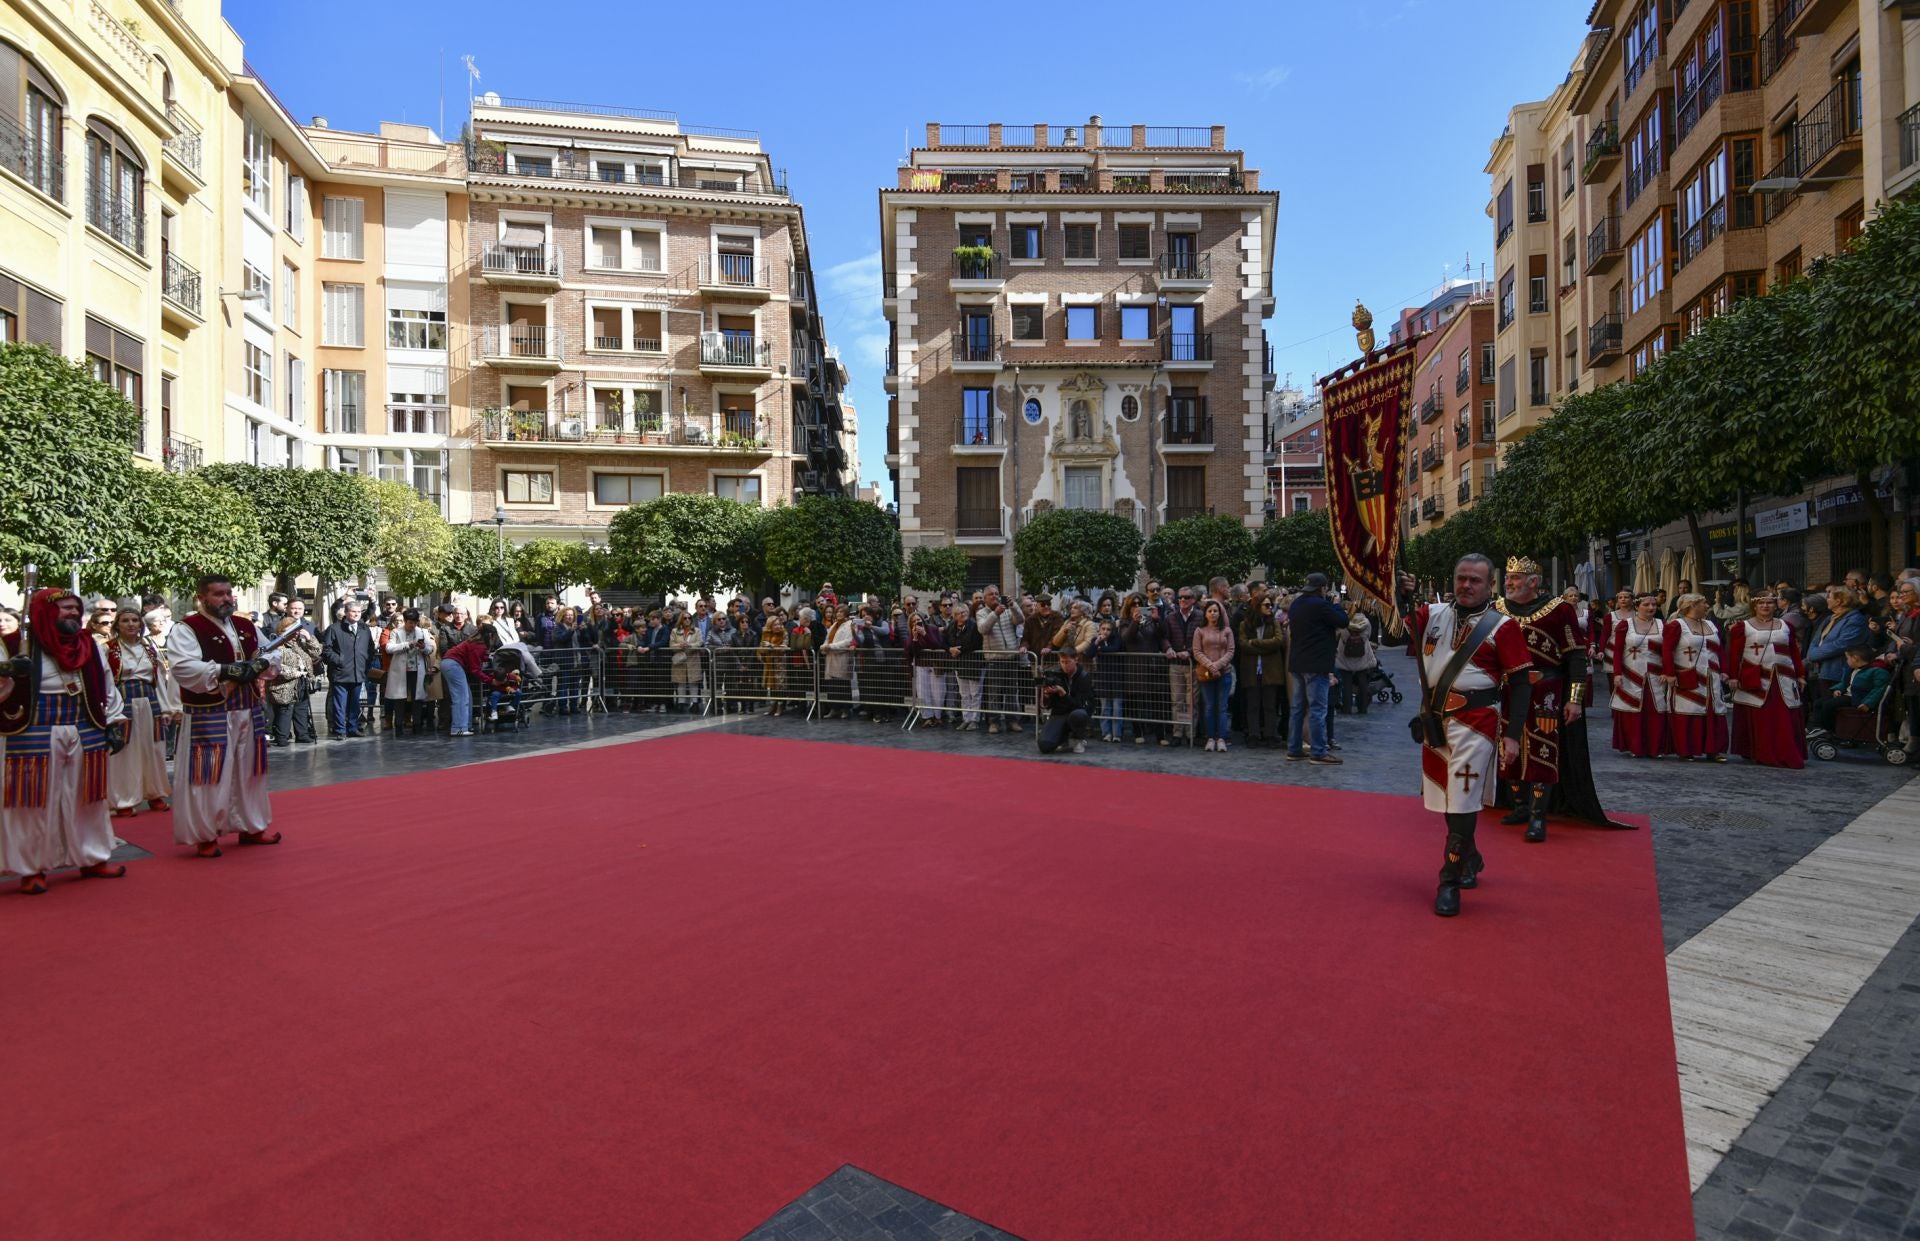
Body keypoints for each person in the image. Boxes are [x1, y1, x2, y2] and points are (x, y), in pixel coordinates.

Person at [1398, 556, 1532, 918]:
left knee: (1461, 800)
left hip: (1478, 723)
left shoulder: (1503, 627)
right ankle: (1469, 856)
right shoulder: (1433, 614)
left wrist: (1514, 735)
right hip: (1435, 721)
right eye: (1461, 578)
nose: (1467, 585)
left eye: (1475, 580)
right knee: (1448, 800)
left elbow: (1519, 685)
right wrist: (1401, 594)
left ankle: (1449, 880)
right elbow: (1398, 630)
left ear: (1490, 585)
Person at [0, 587, 131, 893]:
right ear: (45, 612)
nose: (73, 613)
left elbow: (106, 685)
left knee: (89, 797)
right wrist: (7, 671)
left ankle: (93, 857)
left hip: (84, 725)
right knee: (32, 802)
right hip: (33, 730)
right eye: (65, 608)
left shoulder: (88, 644)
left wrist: (113, 720)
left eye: (76, 608)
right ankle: (31, 868)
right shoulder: (15, 644)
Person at [1494, 556, 1615, 840]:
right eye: (1508, 577)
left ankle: (1538, 815)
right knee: (1508, 750)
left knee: (1542, 751)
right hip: (1509, 690)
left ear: (1533, 582)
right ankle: (1520, 805)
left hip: (1545, 690)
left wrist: (1574, 698)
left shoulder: (1559, 610)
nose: (1508, 582)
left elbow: (1575, 657)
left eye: (1515, 578)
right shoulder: (1496, 608)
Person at [167, 575, 281, 858]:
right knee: (208, 774)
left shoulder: (245, 625)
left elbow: (272, 654)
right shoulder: (187, 628)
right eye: (219, 594)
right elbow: (184, 667)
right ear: (202, 598)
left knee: (249, 770)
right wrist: (226, 671)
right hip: (211, 711)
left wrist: (260, 664)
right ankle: (205, 835)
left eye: (229, 593)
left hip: (247, 709)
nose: (227, 599)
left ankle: (251, 826)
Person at [107, 606, 179, 815]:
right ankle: (124, 801)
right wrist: (111, 712)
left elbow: (159, 679)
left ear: (141, 625)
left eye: (135, 620)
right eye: (125, 621)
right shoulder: (108, 649)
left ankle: (155, 794)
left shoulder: (150, 648)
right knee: (124, 752)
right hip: (123, 701)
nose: (131, 624)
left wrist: (166, 708)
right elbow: (105, 683)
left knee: (153, 750)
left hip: (150, 701)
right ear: (117, 625)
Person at [1727, 592, 1806, 767]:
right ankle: (1761, 752)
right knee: (1761, 718)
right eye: (1761, 603)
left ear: (1775, 605)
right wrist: (1733, 676)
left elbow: (1793, 651)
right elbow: (1734, 653)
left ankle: (1786, 752)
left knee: (1783, 718)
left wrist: (1800, 674)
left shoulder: (1786, 626)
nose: (1765, 606)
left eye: (1769, 603)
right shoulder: (1743, 627)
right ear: (1754, 606)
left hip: (1783, 678)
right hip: (1756, 677)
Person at [1286, 573, 1348, 764]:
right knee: (1317, 709)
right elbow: (1343, 621)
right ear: (1322, 588)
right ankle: (1319, 751)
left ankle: (1294, 748)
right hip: (1316, 664)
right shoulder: (1322, 606)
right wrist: (1336, 603)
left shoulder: (1296, 604)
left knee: (1297, 708)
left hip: (1297, 662)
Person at [1662, 593, 1730, 761]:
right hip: (1688, 675)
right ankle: (1686, 749)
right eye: (1704, 603)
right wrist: (1670, 673)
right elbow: (1666, 650)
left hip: (1711, 676)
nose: (1707, 606)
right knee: (1688, 710)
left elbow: (1720, 649)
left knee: (1714, 709)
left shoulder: (1711, 625)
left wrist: (1725, 670)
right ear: (1692, 605)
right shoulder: (1676, 625)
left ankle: (1713, 749)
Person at [1610, 594, 1669, 758]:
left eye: (1654, 605)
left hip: (1655, 674)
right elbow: (1617, 651)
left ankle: (1656, 747)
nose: (1651, 608)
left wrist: (1667, 671)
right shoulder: (1625, 625)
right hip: (1631, 672)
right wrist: (1617, 673)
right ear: (1637, 607)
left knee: (1656, 710)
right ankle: (1635, 746)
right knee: (1633, 710)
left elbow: (1667, 651)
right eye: (1646, 605)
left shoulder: (1662, 625)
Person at [1236, 594, 1287, 747]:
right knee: (1252, 704)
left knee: (1270, 705)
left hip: (1270, 670)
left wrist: (1256, 643)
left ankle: (1270, 734)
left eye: (1271, 605)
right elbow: (1243, 645)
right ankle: (1254, 734)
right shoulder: (1245, 624)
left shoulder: (1275, 623)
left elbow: (1278, 642)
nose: (1270, 608)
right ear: (1257, 607)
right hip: (1251, 669)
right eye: (1266, 605)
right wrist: (1265, 647)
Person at [322, 597, 376, 741]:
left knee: (355, 703)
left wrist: (366, 663)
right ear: (346, 612)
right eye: (353, 611)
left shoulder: (364, 629)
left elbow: (370, 648)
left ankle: (352, 727)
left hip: (359, 671)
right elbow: (326, 650)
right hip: (340, 672)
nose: (356, 614)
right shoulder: (334, 628)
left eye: (358, 611)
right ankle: (340, 730)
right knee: (340, 703)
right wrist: (339, 661)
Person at [263, 615, 322, 747]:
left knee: (301, 709)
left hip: (301, 682)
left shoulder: (298, 644)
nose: (295, 634)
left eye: (296, 631)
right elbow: (275, 666)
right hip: (285, 684)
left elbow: (316, 652)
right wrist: (293, 672)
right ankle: (282, 737)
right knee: (285, 710)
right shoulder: (277, 645)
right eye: (292, 631)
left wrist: (309, 638)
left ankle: (302, 734)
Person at [380, 609, 438, 736]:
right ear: (405, 621)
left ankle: (417, 725)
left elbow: (430, 649)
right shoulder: (396, 632)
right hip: (401, 670)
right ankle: (399, 726)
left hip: (418, 670)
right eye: (410, 622)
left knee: (418, 698)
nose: (412, 625)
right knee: (400, 699)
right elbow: (389, 648)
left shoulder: (422, 632)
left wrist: (423, 647)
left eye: (414, 623)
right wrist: (407, 644)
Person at [1805, 586, 1870, 702]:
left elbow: (1841, 644)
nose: (1827, 600)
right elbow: (1816, 640)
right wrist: (1812, 653)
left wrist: (1813, 655)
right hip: (1821, 672)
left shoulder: (1855, 619)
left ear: (1839, 601)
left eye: (1829, 597)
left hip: (1838, 673)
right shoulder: (1830, 618)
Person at [1807, 647, 1891, 734]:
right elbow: (1845, 683)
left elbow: (1879, 689)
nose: (1847, 661)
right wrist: (1837, 689)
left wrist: (1868, 703)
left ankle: (1829, 731)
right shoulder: (1852, 669)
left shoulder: (1877, 671)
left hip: (1858, 698)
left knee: (1829, 705)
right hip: (1847, 694)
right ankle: (1817, 727)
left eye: (1847, 658)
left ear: (1855, 658)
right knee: (1818, 703)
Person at [1190, 600, 1236, 752]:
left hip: (1224, 672)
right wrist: (1210, 665)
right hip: (1206, 673)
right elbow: (1197, 651)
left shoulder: (1227, 630)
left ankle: (1221, 737)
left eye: (1215, 611)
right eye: (1210, 611)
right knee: (1209, 706)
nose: (1213, 613)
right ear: (1205, 613)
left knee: (1222, 707)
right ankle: (1210, 737)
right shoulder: (1200, 631)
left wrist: (1218, 665)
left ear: (1220, 613)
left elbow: (1231, 650)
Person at [1162, 588, 1203, 744]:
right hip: (1176, 665)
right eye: (1180, 598)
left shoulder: (1200, 616)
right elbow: (1164, 637)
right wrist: (1168, 648)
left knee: (1192, 701)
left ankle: (1191, 733)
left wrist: (1190, 652)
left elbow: (1203, 639)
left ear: (1193, 599)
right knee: (1177, 701)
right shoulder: (1171, 617)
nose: (1183, 600)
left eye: (1186, 597)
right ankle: (1178, 733)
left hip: (1193, 664)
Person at [1037, 648, 1096, 755]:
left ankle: (1078, 739)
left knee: (1078, 715)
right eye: (1062, 662)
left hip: (1077, 712)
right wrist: (1047, 695)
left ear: (1076, 660)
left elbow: (1083, 706)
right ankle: (1064, 739)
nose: (1065, 665)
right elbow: (1048, 706)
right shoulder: (1055, 675)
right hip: (1059, 714)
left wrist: (1064, 694)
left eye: (1068, 662)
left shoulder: (1084, 677)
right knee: (1044, 746)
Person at [1333, 611, 1378, 715]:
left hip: (1345, 659)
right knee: (1363, 685)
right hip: (1363, 658)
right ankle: (1362, 708)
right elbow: (1368, 636)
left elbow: (1339, 636)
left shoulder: (1344, 624)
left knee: (1346, 685)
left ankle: (1346, 708)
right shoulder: (1366, 624)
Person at [669, 611, 703, 712]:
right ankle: (681, 702)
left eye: (689, 618)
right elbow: (671, 644)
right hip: (680, 659)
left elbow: (700, 642)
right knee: (680, 681)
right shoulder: (675, 631)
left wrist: (690, 645)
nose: (687, 620)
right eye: (685, 618)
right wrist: (680, 645)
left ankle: (695, 703)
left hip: (693, 659)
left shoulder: (697, 631)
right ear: (681, 620)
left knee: (694, 681)